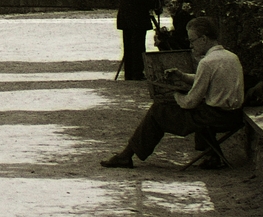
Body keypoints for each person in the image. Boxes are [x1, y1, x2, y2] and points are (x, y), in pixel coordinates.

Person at [100, 17, 245, 168]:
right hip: (233, 115)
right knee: (186, 107)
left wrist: (174, 95)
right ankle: (212, 155)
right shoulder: (230, 57)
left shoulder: (207, 63)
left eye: (192, 41)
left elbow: (190, 102)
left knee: (158, 110)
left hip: (215, 117)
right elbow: (209, 80)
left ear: (203, 39)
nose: (191, 45)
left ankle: (126, 155)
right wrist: (182, 76)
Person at [114, 0, 159, 81]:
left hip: (125, 20)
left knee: (128, 46)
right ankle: (137, 73)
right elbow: (148, 2)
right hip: (138, 20)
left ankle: (129, 73)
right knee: (138, 46)